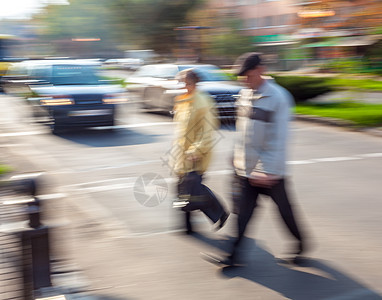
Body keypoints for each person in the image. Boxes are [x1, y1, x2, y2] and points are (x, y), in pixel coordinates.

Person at [224, 52, 307, 265]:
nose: (243, 79)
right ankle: (234, 256)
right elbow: (244, 133)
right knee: (243, 214)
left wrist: (266, 170)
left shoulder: (279, 98)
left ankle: (301, 243)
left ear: (260, 70)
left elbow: (279, 140)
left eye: (247, 75)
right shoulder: (245, 94)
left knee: (285, 212)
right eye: (241, 76)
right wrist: (236, 156)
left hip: (270, 172)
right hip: (247, 170)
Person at [170, 69, 229, 234]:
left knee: (193, 189)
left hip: (195, 154)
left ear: (194, 83)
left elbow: (207, 129)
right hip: (182, 153)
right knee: (183, 189)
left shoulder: (202, 101)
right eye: (180, 83)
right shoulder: (183, 101)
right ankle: (187, 227)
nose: (182, 86)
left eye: (185, 83)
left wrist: (196, 149)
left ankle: (219, 212)